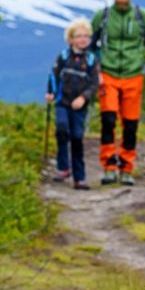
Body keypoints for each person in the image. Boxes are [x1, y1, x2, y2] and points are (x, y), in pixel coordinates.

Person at [91, 0, 145, 186]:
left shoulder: (142, 17)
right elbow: (91, 47)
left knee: (130, 125)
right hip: (108, 75)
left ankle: (127, 168)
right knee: (108, 120)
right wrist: (96, 71)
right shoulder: (102, 17)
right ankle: (109, 166)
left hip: (134, 74)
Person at [46, 18, 99, 190]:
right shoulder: (63, 57)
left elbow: (94, 83)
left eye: (86, 36)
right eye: (79, 36)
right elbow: (53, 76)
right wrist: (51, 93)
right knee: (61, 130)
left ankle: (79, 178)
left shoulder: (91, 60)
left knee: (77, 138)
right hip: (62, 102)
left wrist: (83, 98)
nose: (83, 39)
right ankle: (63, 167)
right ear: (71, 39)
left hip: (79, 107)